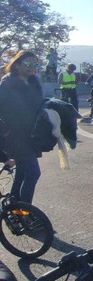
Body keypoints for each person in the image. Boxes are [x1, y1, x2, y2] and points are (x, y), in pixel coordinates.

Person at [0, 51, 44, 203]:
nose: (31, 67)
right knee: (33, 173)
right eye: (27, 64)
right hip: (14, 137)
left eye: (35, 64)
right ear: (17, 65)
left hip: (29, 135)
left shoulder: (34, 83)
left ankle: (14, 206)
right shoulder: (7, 84)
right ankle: (24, 212)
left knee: (22, 173)